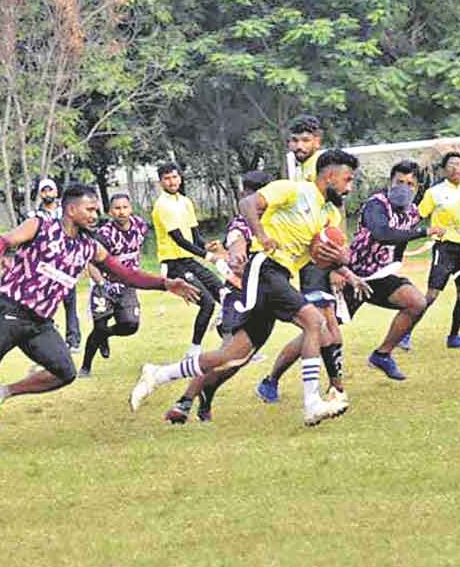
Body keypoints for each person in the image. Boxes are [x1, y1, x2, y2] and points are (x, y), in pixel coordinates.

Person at [0, 184, 199, 460]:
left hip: (39, 323)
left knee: (65, 372)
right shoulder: (42, 225)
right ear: (71, 210)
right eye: (90, 209)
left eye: (97, 210)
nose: (95, 215)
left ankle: (0, 393)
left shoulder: (89, 247)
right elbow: (3, 241)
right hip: (10, 313)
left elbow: (126, 275)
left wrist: (165, 284)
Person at [130, 150, 359, 427]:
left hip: (281, 276)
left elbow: (336, 253)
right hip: (265, 268)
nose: (349, 187)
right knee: (315, 321)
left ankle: (159, 374)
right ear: (330, 176)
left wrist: (341, 261)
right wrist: (261, 234)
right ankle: (311, 403)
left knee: (233, 356)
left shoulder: (330, 213)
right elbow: (248, 203)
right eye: (347, 179)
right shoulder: (293, 190)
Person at [165, 170, 273, 423]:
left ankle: (206, 394)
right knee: (227, 355)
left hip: (263, 300)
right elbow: (237, 248)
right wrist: (234, 256)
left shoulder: (272, 221)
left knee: (237, 361)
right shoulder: (241, 223)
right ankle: (183, 402)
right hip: (239, 299)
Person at [255, 114, 347, 405]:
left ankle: (274, 382)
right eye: (294, 140)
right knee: (323, 327)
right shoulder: (298, 172)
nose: (298, 145)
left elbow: (334, 217)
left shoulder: (321, 169)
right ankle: (334, 390)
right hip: (305, 262)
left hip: (318, 259)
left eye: (305, 139)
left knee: (323, 329)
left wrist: (337, 264)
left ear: (318, 140)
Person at [339, 160, 444, 380]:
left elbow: (399, 241)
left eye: (410, 184)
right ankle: (272, 379)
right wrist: (424, 233)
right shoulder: (376, 204)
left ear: (417, 188)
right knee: (321, 330)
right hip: (354, 275)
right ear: (390, 182)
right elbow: (382, 233)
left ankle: (382, 355)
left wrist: (394, 263)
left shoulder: (413, 213)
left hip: (379, 276)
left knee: (416, 302)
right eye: (399, 182)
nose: (404, 188)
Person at [410, 151, 460, 349]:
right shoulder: (434, 192)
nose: (456, 168)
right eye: (451, 164)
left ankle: (454, 337)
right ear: (444, 170)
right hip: (444, 248)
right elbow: (417, 216)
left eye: (459, 164)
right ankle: (404, 334)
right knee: (431, 295)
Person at [151, 163, 224, 357]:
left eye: (174, 177)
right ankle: (193, 351)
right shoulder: (162, 205)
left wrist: (206, 246)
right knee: (207, 304)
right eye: (167, 178)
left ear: (180, 178)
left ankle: (232, 346)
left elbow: (194, 236)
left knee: (225, 295)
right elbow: (178, 239)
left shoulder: (185, 202)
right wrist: (207, 256)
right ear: (161, 182)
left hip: (189, 260)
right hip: (174, 264)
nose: (172, 181)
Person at [79, 193, 148, 377]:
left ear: (131, 209)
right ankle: (85, 367)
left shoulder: (140, 226)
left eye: (125, 207)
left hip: (127, 284)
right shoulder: (104, 234)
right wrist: (102, 284)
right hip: (105, 284)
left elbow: (136, 250)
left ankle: (105, 336)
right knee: (99, 327)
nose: (121, 212)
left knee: (131, 325)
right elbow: (91, 262)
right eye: (117, 208)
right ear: (110, 212)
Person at [30, 178, 84, 352]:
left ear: (56, 192)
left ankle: (73, 340)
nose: (48, 194)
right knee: (46, 305)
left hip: (66, 267)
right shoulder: (35, 217)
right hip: (46, 270)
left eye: (50, 190)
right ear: (40, 194)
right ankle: (50, 338)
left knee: (70, 304)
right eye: (44, 191)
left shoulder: (66, 213)